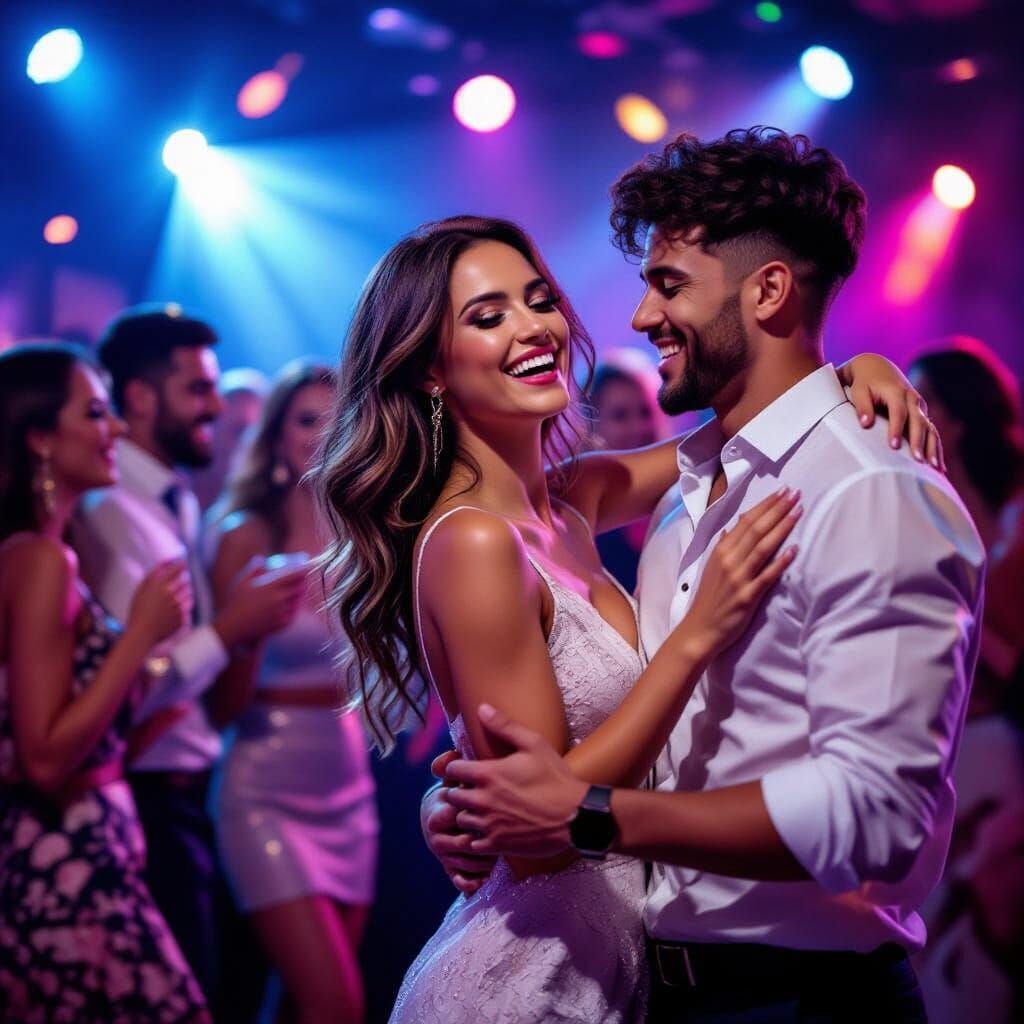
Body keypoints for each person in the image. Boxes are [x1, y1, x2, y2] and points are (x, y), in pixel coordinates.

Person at [313, 203, 936, 1021]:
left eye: (539, 300)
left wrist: (849, 374)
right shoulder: (471, 543)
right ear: (431, 369)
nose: (534, 329)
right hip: (531, 975)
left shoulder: (568, 503)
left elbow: (740, 434)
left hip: (620, 961)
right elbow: (540, 836)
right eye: (488, 316)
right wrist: (696, 636)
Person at [69, 306, 307, 1005]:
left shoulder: (168, 501)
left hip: (187, 791)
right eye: (198, 390)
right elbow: (117, 679)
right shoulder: (108, 514)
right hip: (147, 796)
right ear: (140, 396)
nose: (216, 408)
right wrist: (231, 630)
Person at [0, 343, 210, 1022]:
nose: (116, 427)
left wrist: (141, 704)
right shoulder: (39, 561)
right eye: (95, 411)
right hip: (67, 866)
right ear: (38, 438)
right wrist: (140, 638)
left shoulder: (39, 553)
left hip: (86, 852)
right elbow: (42, 757)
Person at [207, 360, 378, 1023]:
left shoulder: (364, 530)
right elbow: (218, 704)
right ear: (277, 436)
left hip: (347, 778)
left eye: (336, 417)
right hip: (264, 787)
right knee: (335, 1003)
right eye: (306, 419)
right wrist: (249, 632)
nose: (323, 433)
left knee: (301, 1008)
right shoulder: (245, 534)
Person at [907, 337, 1024, 1023]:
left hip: (997, 749)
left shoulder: (1016, 523)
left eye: (920, 396)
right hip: (945, 742)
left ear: (950, 415)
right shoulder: (931, 501)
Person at [587, 360, 668, 589]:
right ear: (593, 425)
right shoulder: (582, 512)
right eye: (620, 415)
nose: (637, 427)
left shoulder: (687, 493)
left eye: (645, 412)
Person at [191, 366, 270, 512]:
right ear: (211, 424)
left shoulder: (260, 508)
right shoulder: (174, 487)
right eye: (239, 429)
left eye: (254, 434)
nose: (246, 443)